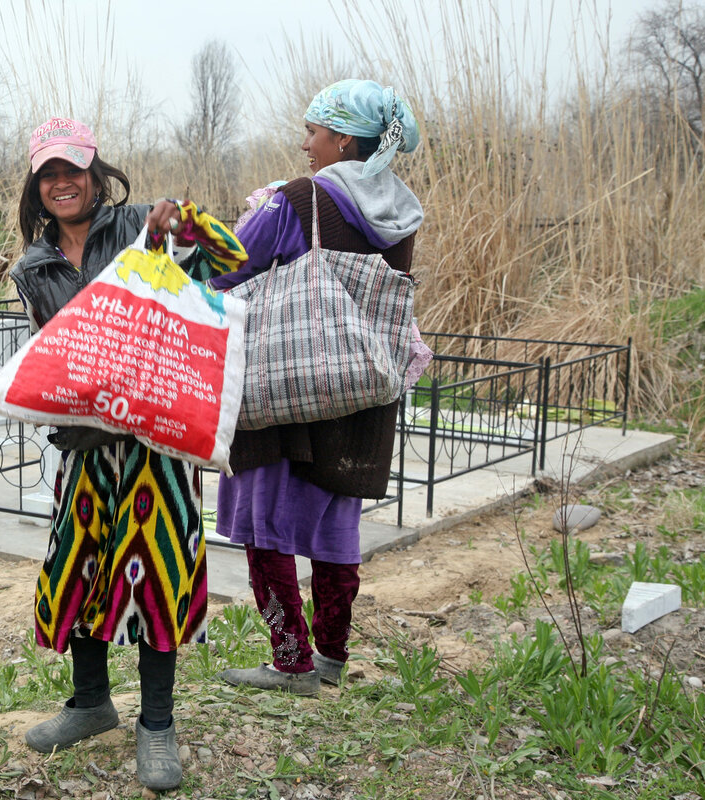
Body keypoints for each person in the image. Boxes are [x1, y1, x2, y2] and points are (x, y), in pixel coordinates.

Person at [10, 117, 245, 792]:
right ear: (37, 184)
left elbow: (229, 261)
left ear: (96, 171)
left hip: (155, 444)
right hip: (86, 449)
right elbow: (48, 357)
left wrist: (190, 223)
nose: (63, 183)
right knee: (79, 572)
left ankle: (158, 725)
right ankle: (90, 702)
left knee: (158, 577)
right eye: (49, 173)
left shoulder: (143, 227)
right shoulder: (34, 267)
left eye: (74, 170)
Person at [212, 80, 424, 694]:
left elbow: (229, 264)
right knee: (337, 525)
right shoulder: (401, 212)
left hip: (292, 385)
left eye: (314, 131)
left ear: (344, 138)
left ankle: (289, 661)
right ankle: (331, 655)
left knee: (264, 524)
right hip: (361, 385)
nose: (305, 143)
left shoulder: (302, 198)